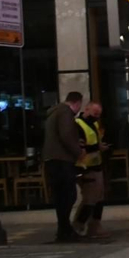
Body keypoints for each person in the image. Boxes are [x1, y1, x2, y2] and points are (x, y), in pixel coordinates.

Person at [41, 91, 84, 243]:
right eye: (80, 106)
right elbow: (66, 135)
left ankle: (64, 230)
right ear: (77, 103)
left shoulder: (54, 113)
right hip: (62, 160)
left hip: (52, 159)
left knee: (60, 196)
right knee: (69, 195)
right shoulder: (65, 113)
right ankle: (65, 230)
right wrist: (78, 152)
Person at [72, 101, 111, 241]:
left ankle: (94, 226)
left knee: (98, 197)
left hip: (96, 165)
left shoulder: (93, 124)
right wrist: (97, 148)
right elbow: (80, 147)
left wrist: (100, 147)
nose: (97, 117)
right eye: (95, 113)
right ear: (86, 109)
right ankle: (79, 225)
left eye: (99, 114)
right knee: (90, 198)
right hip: (85, 167)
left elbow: (95, 141)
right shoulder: (78, 125)